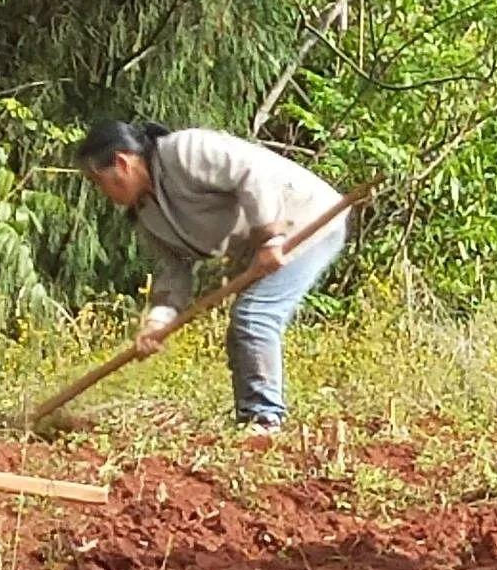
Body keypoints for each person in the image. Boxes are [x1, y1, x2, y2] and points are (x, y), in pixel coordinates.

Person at [76, 120, 348, 431]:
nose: (102, 192)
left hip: (307, 220)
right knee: (242, 332)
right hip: (266, 247)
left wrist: (270, 239)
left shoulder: (186, 150)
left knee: (255, 317)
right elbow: (174, 268)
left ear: (123, 163)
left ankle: (265, 419)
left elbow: (251, 173)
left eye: (99, 181)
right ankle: (250, 420)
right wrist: (157, 323)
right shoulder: (146, 215)